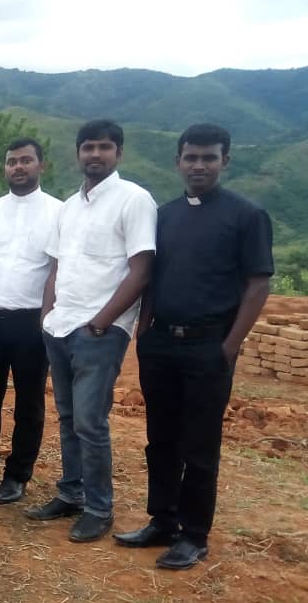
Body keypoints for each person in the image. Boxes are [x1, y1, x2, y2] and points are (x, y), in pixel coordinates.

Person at [115, 124, 273, 569]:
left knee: (199, 445)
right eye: (191, 157)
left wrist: (229, 346)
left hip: (209, 346)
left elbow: (258, 285)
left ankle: (194, 534)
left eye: (208, 157)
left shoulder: (246, 215)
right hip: (161, 343)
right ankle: (161, 521)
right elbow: (149, 276)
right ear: (178, 162)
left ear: (226, 160)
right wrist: (145, 330)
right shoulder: (163, 216)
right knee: (159, 440)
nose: (199, 165)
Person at [27, 120, 157, 542]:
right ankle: (72, 493)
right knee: (67, 418)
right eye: (88, 147)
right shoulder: (68, 207)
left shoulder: (134, 200)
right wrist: (47, 316)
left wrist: (102, 322)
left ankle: (100, 508)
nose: (95, 154)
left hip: (100, 331)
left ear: (118, 152)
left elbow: (141, 272)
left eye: (104, 147)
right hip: (60, 327)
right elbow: (56, 267)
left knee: (90, 421)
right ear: (78, 153)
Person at [0, 139, 61, 504]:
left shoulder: (58, 213)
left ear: (41, 165)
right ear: (4, 168)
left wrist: (48, 320)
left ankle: (18, 475)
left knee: (30, 402)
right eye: (12, 162)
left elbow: (59, 269)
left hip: (32, 323)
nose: (18, 167)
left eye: (26, 161)